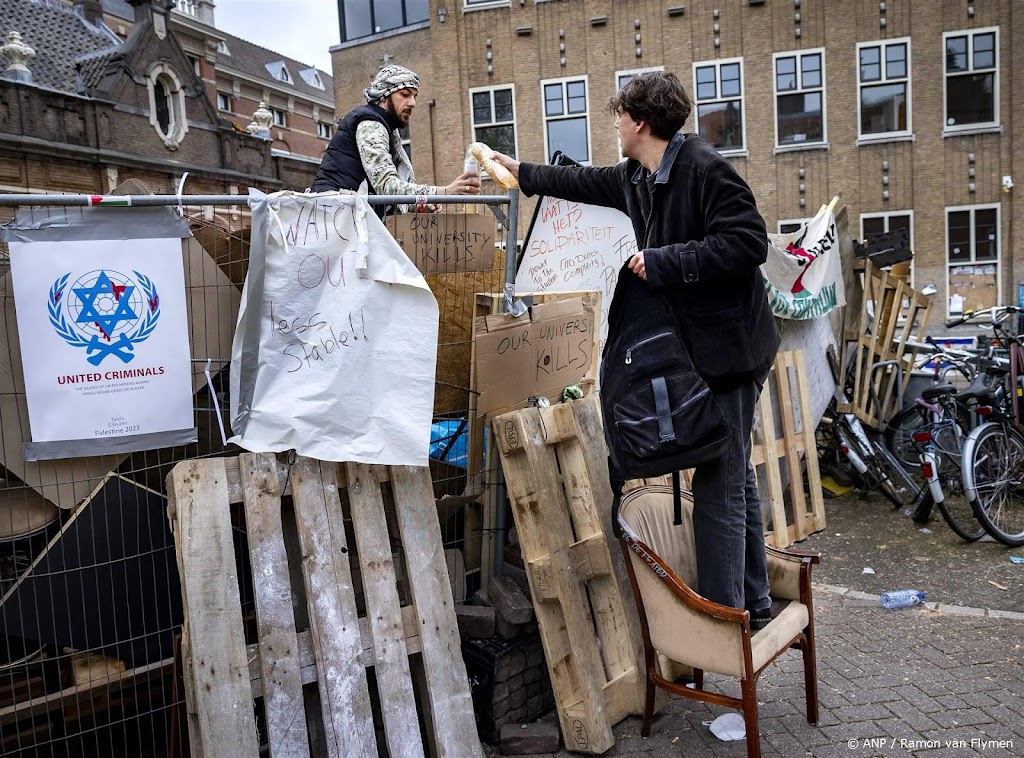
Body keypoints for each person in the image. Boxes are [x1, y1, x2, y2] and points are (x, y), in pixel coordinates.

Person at [492, 71, 780, 629]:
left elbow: (749, 241)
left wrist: (667, 261)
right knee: (734, 468)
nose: (616, 125)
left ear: (641, 122)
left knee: (720, 479)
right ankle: (754, 603)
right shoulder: (637, 176)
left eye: (620, 116)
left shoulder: (702, 168)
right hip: (704, 349)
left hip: (732, 349)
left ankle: (723, 625)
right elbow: (582, 182)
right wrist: (518, 172)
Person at [311, 65, 480, 213]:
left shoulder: (385, 126)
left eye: (415, 96)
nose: (412, 102)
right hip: (335, 217)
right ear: (384, 96)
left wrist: (420, 205)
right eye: (405, 94)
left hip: (343, 215)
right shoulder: (371, 125)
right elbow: (386, 186)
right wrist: (445, 192)